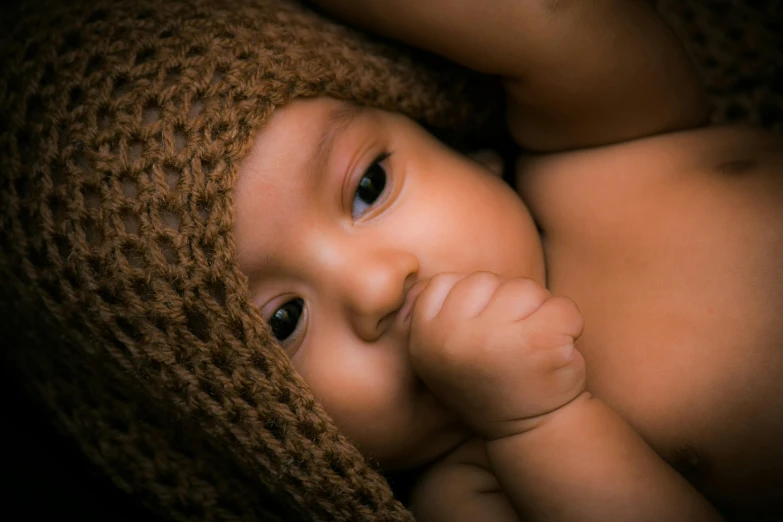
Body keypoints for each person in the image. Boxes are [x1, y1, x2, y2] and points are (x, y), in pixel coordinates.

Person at [231, 1, 783, 520]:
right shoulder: (473, 482)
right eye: (284, 320)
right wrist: (537, 424)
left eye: (369, 187)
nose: (377, 286)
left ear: (466, 149)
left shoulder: (595, 145)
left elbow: (548, 17)